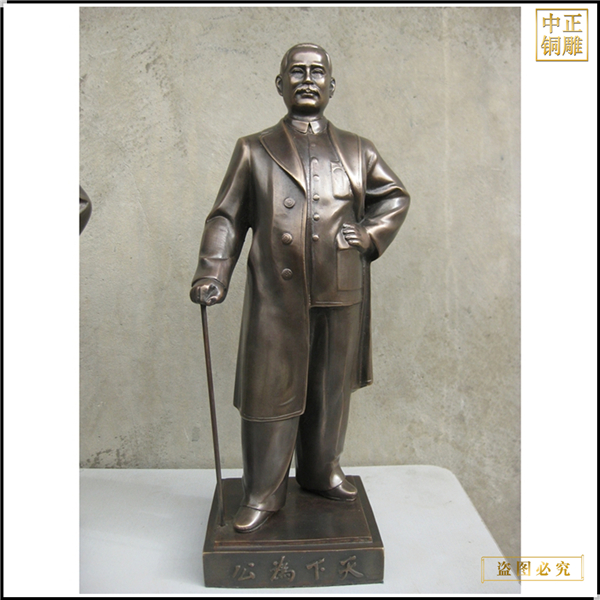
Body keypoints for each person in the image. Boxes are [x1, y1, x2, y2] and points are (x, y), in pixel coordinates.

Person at [190, 43, 410, 533]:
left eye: (317, 72)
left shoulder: (358, 149)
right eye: (296, 71)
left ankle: (321, 471)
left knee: (330, 390)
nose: (307, 79)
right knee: (270, 391)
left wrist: (369, 234)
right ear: (280, 84)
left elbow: (394, 197)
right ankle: (263, 492)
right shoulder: (254, 149)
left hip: (340, 289)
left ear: (331, 85)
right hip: (276, 294)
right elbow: (227, 217)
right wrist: (212, 273)